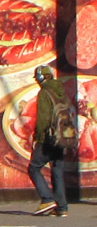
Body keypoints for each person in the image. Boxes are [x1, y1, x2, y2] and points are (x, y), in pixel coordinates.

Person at [29, 65, 69, 217]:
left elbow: (43, 120)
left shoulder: (44, 93)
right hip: (63, 137)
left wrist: (37, 138)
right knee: (57, 171)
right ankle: (62, 208)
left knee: (34, 167)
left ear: (41, 77)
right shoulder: (62, 91)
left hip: (48, 138)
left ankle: (47, 199)